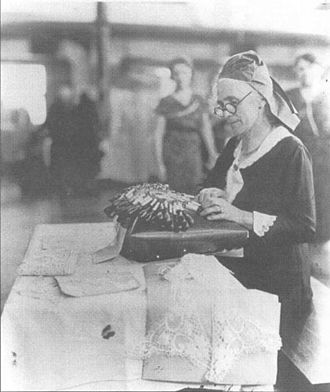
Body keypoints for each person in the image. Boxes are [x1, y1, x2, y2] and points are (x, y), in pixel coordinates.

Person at [198, 51, 316, 321]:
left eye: (232, 103)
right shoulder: (234, 145)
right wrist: (209, 193)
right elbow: (211, 184)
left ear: (261, 100)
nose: (226, 114)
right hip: (239, 272)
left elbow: (305, 227)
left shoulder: (290, 151)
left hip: (279, 289)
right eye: (221, 105)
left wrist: (241, 216)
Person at [155, 57, 218, 194]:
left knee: (194, 190)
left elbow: (205, 129)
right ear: (172, 76)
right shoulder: (165, 102)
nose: (181, 77)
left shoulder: (198, 101)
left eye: (185, 73)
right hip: (172, 151)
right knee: (173, 194)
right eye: (177, 73)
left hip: (193, 152)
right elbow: (158, 134)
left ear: (191, 75)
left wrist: (212, 154)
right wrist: (159, 163)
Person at [286, 53, 330, 244]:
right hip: (300, 154)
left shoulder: (325, 96)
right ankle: (303, 235)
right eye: (298, 70)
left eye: (305, 69)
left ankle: (322, 238)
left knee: (323, 195)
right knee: (302, 194)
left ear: (315, 70)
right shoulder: (291, 96)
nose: (302, 74)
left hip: (323, 157)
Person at [45, 85, 76, 196]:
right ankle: (61, 188)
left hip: (60, 143)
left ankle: (60, 188)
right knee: (62, 167)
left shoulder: (56, 108)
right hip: (62, 143)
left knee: (60, 167)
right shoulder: (63, 109)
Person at [71, 91, 102, 194]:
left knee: (82, 166)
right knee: (91, 167)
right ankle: (91, 186)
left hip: (81, 144)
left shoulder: (77, 109)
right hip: (91, 142)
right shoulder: (92, 109)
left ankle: (84, 187)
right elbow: (97, 124)